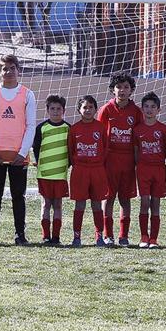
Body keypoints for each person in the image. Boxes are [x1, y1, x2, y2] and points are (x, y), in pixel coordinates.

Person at [0, 54, 36, 246]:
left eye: (12, 68)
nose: (9, 72)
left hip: (18, 157)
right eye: (5, 68)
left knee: (18, 196)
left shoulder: (28, 94)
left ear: (18, 70)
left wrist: (22, 152)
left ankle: (20, 234)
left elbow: (31, 126)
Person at [97, 74, 141, 246]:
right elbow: (98, 134)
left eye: (126, 87)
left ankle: (124, 236)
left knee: (125, 198)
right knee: (108, 198)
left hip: (128, 160)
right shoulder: (106, 110)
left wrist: (137, 160)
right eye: (119, 87)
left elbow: (138, 137)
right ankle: (107, 235)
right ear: (112, 89)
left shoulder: (136, 112)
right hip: (110, 159)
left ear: (131, 90)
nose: (122, 90)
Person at [68, 95, 109, 246]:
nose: (88, 110)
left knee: (97, 204)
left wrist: (97, 163)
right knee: (80, 204)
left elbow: (105, 148)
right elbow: (71, 150)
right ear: (79, 110)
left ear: (95, 109)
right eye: (85, 107)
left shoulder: (100, 128)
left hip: (97, 170)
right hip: (80, 170)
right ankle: (76, 237)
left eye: (91, 107)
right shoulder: (74, 129)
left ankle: (99, 237)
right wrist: (78, 164)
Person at [32, 95, 71, 245]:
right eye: (52, 109)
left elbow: (70, 150)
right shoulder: (41, 128)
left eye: (58, 109)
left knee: (58, 205)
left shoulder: (68, 128)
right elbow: (36, 148)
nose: (56, 112)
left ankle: (56, 237)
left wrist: (67, 165)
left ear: (64, 110)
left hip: (60, 174)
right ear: (47, 110)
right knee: (46, 204)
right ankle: (45, 236)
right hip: (44, 173)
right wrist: (39, 162)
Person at [133, 92, 166, 248]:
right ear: (142, 109)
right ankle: (143, 237)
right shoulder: (137, 129)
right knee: (144, 201)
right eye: (146, 107)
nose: (149, 110)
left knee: (156, 203)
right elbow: (135, 151)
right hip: (143, 169)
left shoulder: (163, 129)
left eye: (153, 107)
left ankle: (154, 238)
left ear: (159, 110)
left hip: (159, 169)